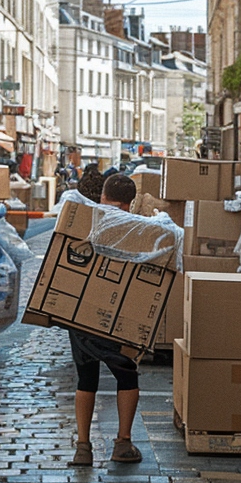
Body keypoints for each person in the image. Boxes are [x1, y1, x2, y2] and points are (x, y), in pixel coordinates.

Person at [69, 172, 143, 466]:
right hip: (118, 317)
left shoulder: (85, 222)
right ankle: (122, 444)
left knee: (86, 378)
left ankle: (83, 447)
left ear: (102, 196)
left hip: (79, 314)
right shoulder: (137, 229)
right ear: (130, 203)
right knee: (127, 375)